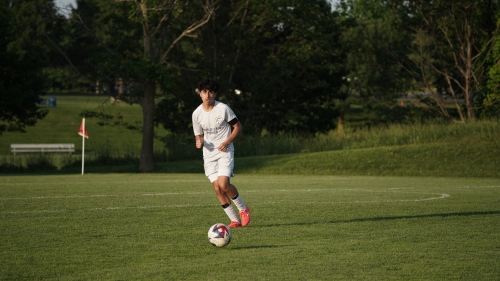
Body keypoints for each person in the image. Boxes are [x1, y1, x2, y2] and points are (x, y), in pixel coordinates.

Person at [192, 78, 250, 228]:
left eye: (211, 92)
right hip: (209, 155)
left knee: (224, 184)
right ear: (200, 94)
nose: (208, 95)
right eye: (204, 92)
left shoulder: (223, 109)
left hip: (225, 150)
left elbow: (237, 127)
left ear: (215, 94)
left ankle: (243, 209)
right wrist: (199, 141)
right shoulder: (196, 114)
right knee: (217, 188)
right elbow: (198, 135)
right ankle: (234, 220)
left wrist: (227, 141)